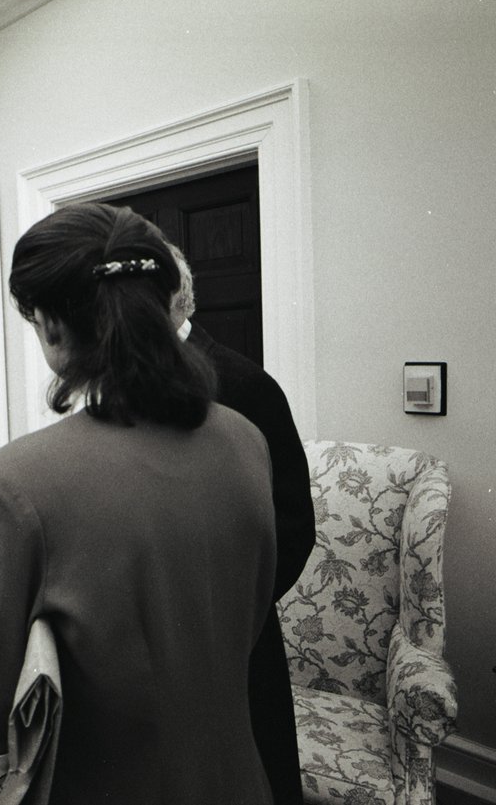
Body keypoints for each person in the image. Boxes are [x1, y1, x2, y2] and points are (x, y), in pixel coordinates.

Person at [0, 202, 278, 804]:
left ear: (52, 326)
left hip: (108, 783)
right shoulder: (245, 439)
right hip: (236, 774)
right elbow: (250, 609)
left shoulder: (16, 480)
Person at [169, 243, 315, 805]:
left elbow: (295, 524)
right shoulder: (130, 385)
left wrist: (227, 606)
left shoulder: (245, 386)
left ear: (174, 300)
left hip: (235, 634)